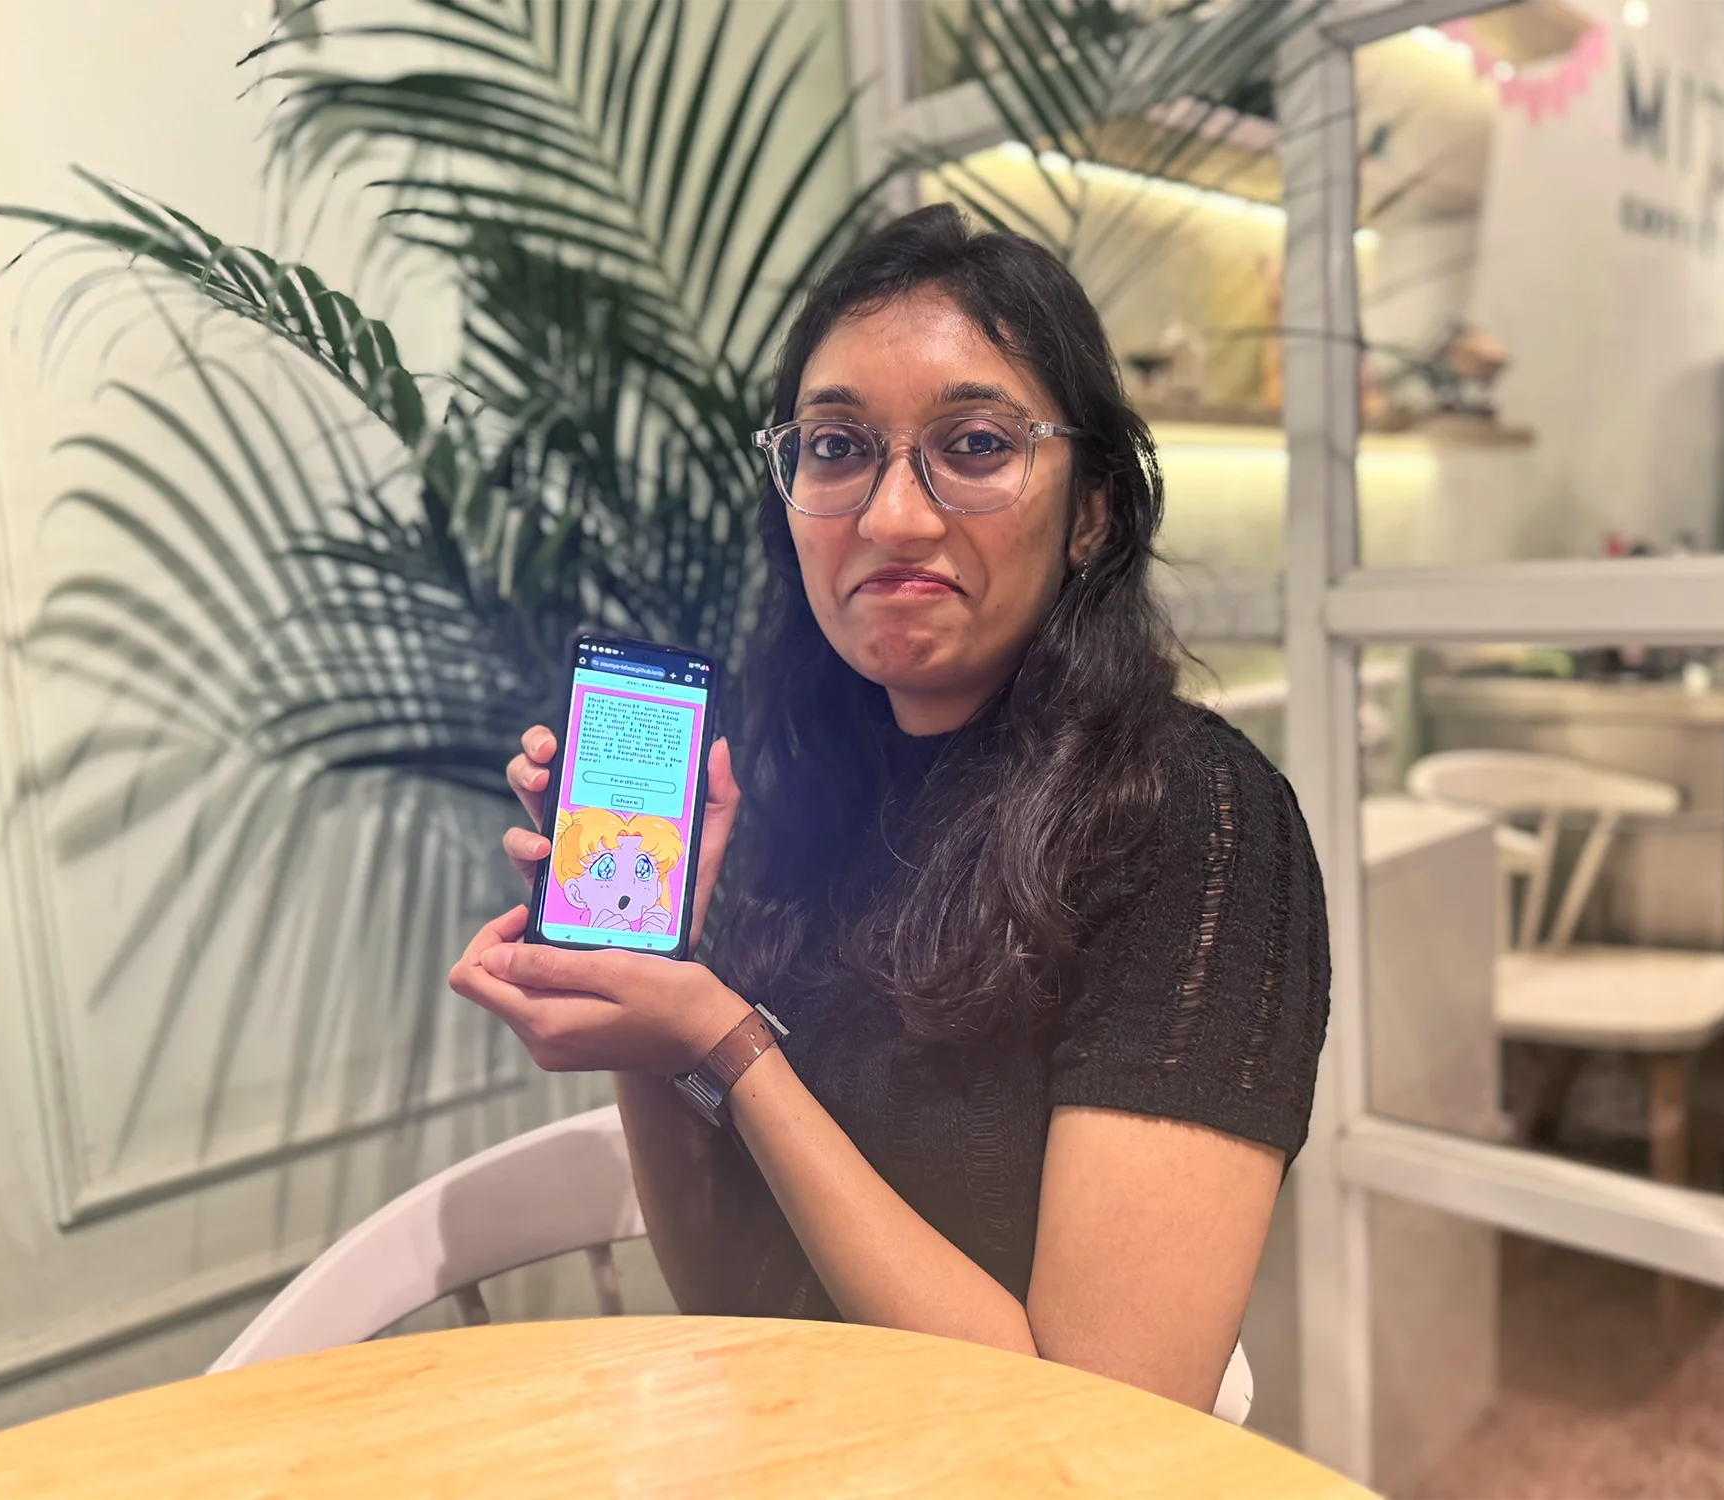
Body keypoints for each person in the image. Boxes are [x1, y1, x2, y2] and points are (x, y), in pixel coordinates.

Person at [448, 204, 1330, 1413]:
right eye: (835, 446)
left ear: (1090, 510)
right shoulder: (804, 803)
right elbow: (734, 1294)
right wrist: (656, 993)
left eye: (973, 444)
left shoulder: (1190, 818)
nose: (890, 517)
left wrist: (729, 1044)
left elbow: (1103, 1422)